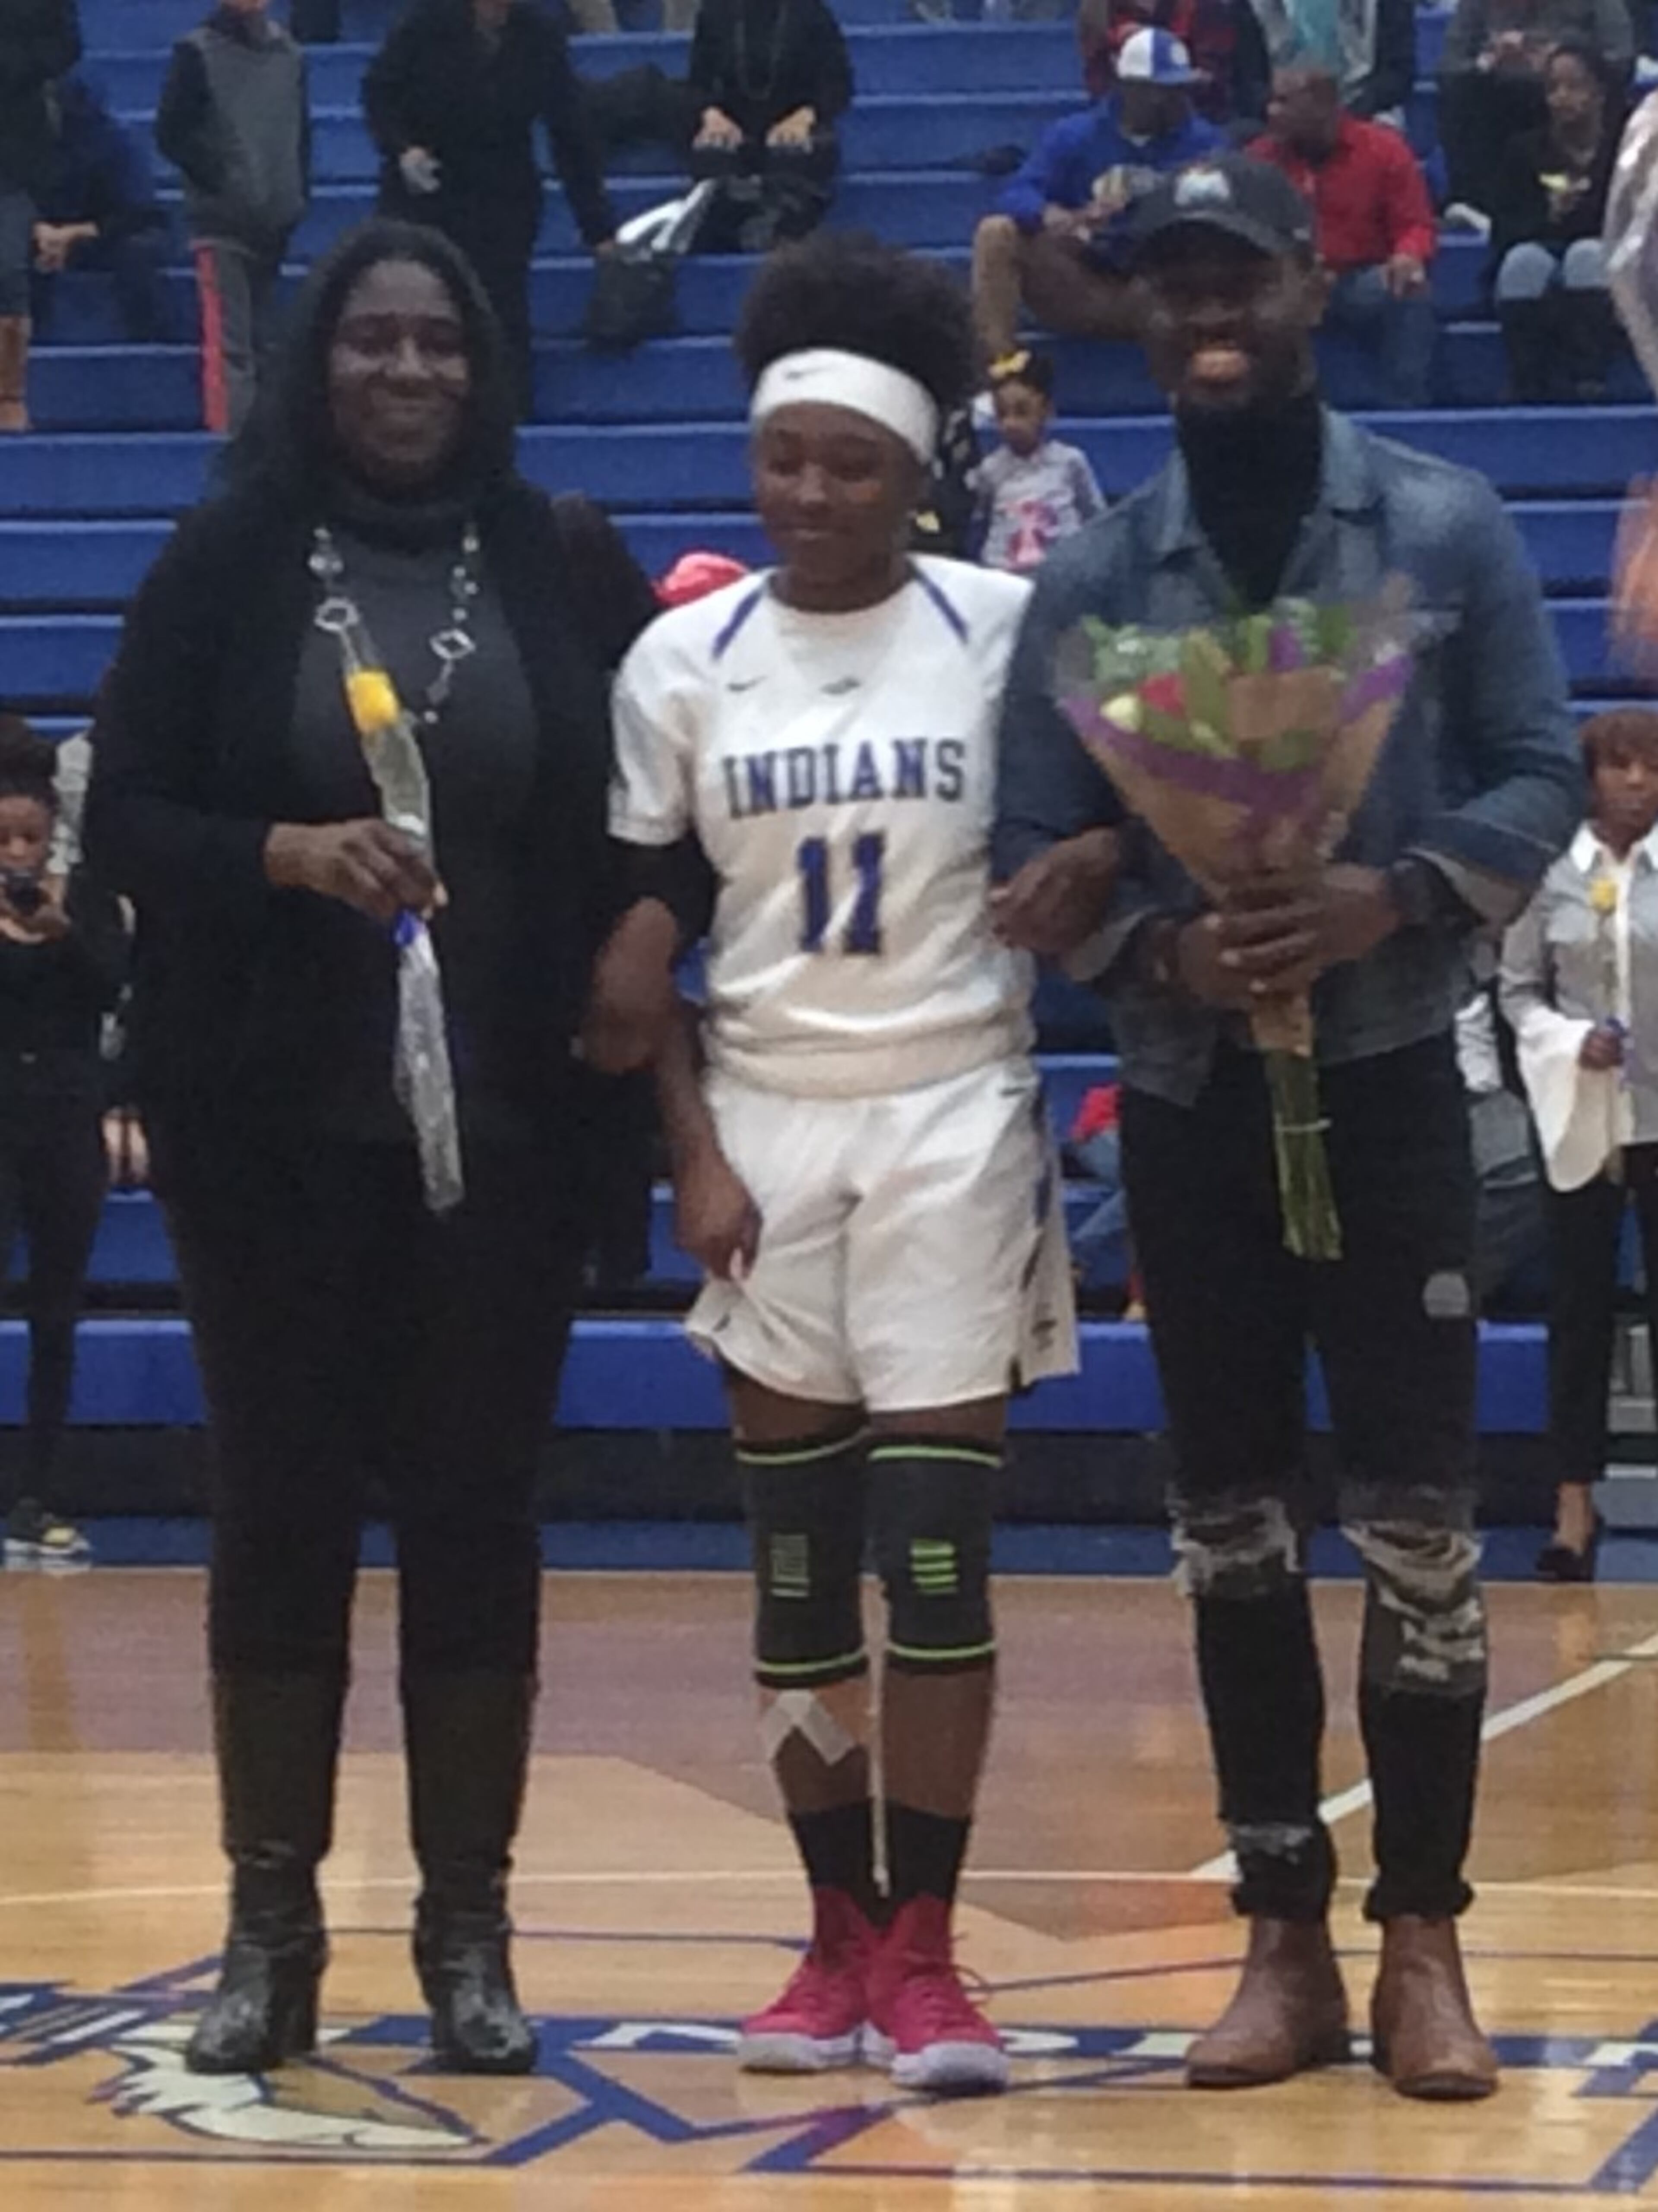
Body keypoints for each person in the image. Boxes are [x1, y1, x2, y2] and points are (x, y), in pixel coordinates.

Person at [995, 153, 1581, 2102]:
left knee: (1418, 1523)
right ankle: (1279, 1936)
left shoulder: (1439, 521)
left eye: (1236, 274)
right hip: (1190, 1099)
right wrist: (1161, 944)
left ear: (1311, 285)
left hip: (1395, 1075)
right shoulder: (1093, 575)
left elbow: (1537, 768)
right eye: (1170, 284)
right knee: (1228, 1523)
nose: (1205, 312)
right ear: (1140, 313)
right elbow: (1028, 833)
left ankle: (1422, 1936)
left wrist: (1384, 897)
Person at [85, 218, 659, 2079]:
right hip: (269, 1137)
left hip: (507, 1142)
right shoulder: (227, 554)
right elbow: (123, 819)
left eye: (440, 342)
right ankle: (271, 1931)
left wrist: (645, 937)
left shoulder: (560, 558)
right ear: (315, 359)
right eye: (372, 339)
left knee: (479, 1515)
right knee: (281, 1509)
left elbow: (654, 813)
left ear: (482, 367)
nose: (407, 370)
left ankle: (467, 1932)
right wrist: (282, 851)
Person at [586, 231, 1079, 2098]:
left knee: (936, 1565)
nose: (806, 492)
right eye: (781, 457)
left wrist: (1089, 866)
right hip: (767, 1125)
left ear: (917, 467)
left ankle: (931, 1950)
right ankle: (833, 1937)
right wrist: (693, 1155)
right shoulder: (682, 659)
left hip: (953, 1112)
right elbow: (651, 935)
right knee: (797, 1578)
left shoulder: (1003, 628)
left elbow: (1094, 825)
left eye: (848, 463)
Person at [1500, 710, 1658, 1582]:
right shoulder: (1550, 873)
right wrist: (1568, 1041)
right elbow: (1519, 993)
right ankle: (1573, 1504)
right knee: (1579, 1312)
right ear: (1590, 777)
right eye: (1620, 766)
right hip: (1581, 1117)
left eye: (1651, 767)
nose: (1636, 782)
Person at [0, 716, 125, 1568]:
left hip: (66, 1122)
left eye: (31, 838)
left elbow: (118, 992)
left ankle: (37, 1496)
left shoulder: (86, 898)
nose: (18, 852)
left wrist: (62, 934)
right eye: (3, 838)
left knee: (56, 1311)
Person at [363, 0, 617, 415]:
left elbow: (569, 133)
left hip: (505, 198)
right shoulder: (424, 23)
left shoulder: (540, 35)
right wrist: (402, 148)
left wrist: (598, 227)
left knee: (503, 312)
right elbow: (380, 93)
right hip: (428, 194)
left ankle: (505, 416)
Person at [971, 28, 1225, 366]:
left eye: (1178, 89)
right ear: (1128, 87)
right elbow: (1017, 192)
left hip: (1163, 292)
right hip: (1085, 282)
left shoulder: (1207, 144)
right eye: (1159, 90)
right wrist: (1055, 216)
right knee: (996, 232)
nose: (1171, 100)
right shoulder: (1075, 135)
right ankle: (1000, 367)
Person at [155, 0, 310, 436]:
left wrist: (296, 194)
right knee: (230, 345)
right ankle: (231, 442)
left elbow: (300, 132)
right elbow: (172, 133)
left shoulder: (290, 54)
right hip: (221, 223)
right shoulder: (197, 52)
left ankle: (270, 439)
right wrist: (222, 179)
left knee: (266, 343)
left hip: (275, 220)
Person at [1250, 63, 1437, 408]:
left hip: (1358, 278)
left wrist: (1408, 254)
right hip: (1291, 284)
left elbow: (1416, 225)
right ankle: (1276, 412)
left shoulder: (1383, 149)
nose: (1271, 111)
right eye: (1273, 100)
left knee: (1409, 288)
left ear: (1323, 104)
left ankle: (1405, 408)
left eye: (1284, 101)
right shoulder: (1259, 160)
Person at [1489, 37, 1623, 402]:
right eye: (1553, 88)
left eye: (1575, 86)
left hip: (1607, 259)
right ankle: (1527, 380)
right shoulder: (1523, 150)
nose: (1562, 97)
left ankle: (1590, 376)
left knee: (1586, 256)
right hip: (1541, 249)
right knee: (1523, 262)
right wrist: (1548, 215)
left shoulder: (1623, 151)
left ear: (1600, 93)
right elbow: (1505, 230)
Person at [1438, 0, 1632, 225]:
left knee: (1580, 96)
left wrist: (1561, 57)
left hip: (1569, 88)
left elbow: (1620, 60)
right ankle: (1476, 203)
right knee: (1460, 94)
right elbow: (1450, 68)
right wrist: (1488, 61)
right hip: (1497, 94)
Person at [686, 0, 853, 253]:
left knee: (795, 155)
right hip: (734, 124)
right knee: (712, 154)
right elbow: (698, 82)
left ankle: (780, 234)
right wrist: (712, 114)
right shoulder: (715, 11)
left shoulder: (811, 11)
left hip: (797, 121)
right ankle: (730, 230)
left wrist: (806, 115)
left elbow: (839, 82)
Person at [32, 67, 171, 345]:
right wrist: (36, 230)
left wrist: (75, 233)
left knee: (140, 249)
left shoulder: (111, 141)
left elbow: (139, 211)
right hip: (36, 233)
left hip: (104, 235)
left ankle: (149, 343)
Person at [0, 0, 82, 431]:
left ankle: (8, 396)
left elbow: (65, 44)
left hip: (13, 149)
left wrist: (14, 65)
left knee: (6, 271)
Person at [975, 348, 1107, 574]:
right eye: (1002, 414)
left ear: (1046, 411)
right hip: (1006, 573)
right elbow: (981, 521)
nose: (1011, 424)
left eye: (1022, 412)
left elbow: (1095, 515)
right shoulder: (990, 469)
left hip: (1062, 570)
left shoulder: (1070, 461)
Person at [1076, 0, 1270, 129]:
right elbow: (1099, 83)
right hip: (1123, 122)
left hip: (1201, 118)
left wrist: (1157, 45)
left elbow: (1215, 79)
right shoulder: (1098, 13)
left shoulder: (1205, 8)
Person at [1248, 0, 1418, 123]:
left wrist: (1348, 115)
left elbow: (1398, 73)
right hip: (1276, 117)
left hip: (1366, 112)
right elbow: (1249, 82)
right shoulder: (1251, 6)